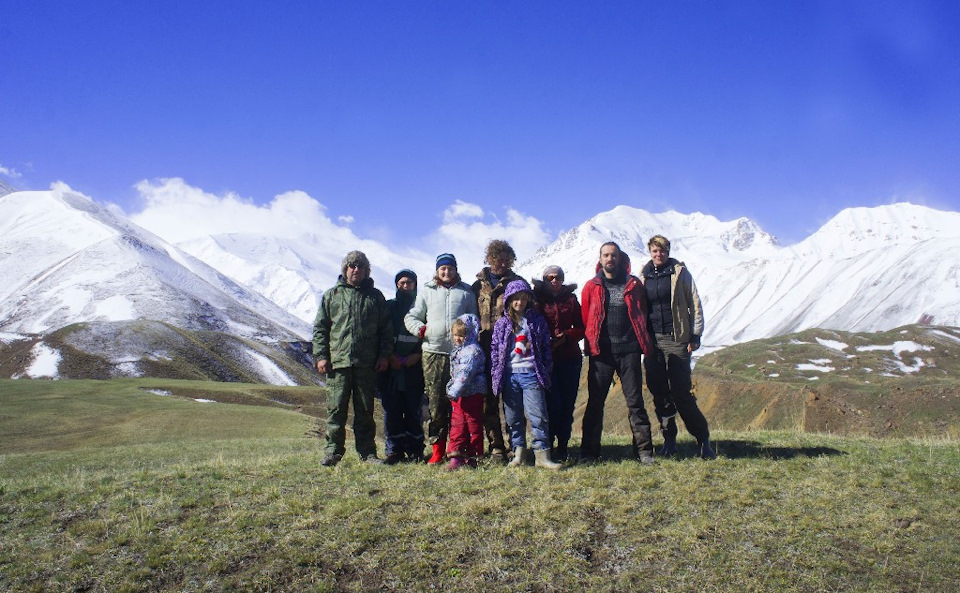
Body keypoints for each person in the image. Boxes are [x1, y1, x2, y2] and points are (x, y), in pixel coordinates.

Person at [580, 242, 657, 464]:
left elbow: (641, 312)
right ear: (600, 259)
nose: (610, 259)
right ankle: (589, 453)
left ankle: (644, 452)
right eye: (606, 255)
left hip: (629, 351)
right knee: (595, 403)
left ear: (620, 258)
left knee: (635, 402)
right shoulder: (591, 286)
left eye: (613, 255)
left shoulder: (634, 284)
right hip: (601, 352)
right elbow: (587, 317)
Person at [313, 250, 392, 467]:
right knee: (336, 409)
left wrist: (384, 355)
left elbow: (386, 329)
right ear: (345, 269)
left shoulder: (375, 297)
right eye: (352, 266)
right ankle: (333, 452)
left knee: (365, 411)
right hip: (338, 364)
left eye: (360, 266)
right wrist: (321, 356)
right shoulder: (332, 296)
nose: (356, 270)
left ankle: (367, 453)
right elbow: (320, 328)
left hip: (366, 364)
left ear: (367, 271)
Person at [641, 235, 716, 459]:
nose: (658, 254)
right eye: (655, 251)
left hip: (677, 339)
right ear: (650, 252)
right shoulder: (643, 276)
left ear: (668, 251)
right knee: (659, 392)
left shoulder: (680, 273)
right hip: (653, 341)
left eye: (662, 251)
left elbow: (695, 302)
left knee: (681, 392)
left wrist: (695, 335)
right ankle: (669, 441)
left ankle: (703, 440)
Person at [405, 253, 478, 465]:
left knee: (460, 404)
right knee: (436, 403)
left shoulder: (466, 292)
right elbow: (412, 316)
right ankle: (438, 449)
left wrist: (469, 343)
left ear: (456, 269)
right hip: (433, 352)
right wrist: (421, 330)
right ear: (437, 270)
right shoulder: (427, 290)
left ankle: (458, 448)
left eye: (450, 268)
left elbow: (473, 320)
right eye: (442, 268)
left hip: (461, 355)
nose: (446, 272)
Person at [490, 279, 562, 470]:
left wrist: (546, 368)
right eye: (515, 299)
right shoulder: (502, 324)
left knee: (538, 415)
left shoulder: (537, 321)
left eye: (523, 299)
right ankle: (518, 452)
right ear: (508, 300)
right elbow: (495, 350)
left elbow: (546, 346)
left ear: (529, 300)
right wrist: (496, 372)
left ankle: (542, 455)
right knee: (513, 417)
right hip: (509, 375)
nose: (519, 303)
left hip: (531, 373)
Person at [472, 239, 521, 462]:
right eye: (496, 258)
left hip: (509, 351)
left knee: (512, 400)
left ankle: (516, 445)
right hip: (483, 350)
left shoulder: (517, 283)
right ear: (489, 258)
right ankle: (496, 447)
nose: (501, 263)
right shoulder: (476, 287)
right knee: (488, 402)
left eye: (505, 259)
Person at [532, 265, 585, 463]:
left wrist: (568, 336)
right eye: (550, 277)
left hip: (569, 357)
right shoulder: (536, 300)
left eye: (558, 277)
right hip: (545, 360)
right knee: (549, 404)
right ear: (544, 279)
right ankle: (549, 444)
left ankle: (563, 446)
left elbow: (581, 326)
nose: (554, 280)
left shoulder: (571, 300)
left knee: (567, 403)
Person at [377, 269, 426, 464]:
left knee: (414, 410)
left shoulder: (422, 309)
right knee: (392, 411)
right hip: (390, 369)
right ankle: (394, 450)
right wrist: (389, 355)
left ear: (415, 285)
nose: (406, 286)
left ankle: (415, 450)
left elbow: (429, 334)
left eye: (410, 283)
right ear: (397, 285)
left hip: (414, 368)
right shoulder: (389, 307)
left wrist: (417, 355)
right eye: (402, 283)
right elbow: (379, 332)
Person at [445, 314, 487, 470]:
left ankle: (474, 455)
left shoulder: (472, 352)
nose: (457, 338)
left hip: (472, 394)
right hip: (460, 395)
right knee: (457, 424)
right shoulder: (460, 351)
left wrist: (454, 390)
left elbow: (465, 373)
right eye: (455, 335)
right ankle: (456, 456)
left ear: (469, 334)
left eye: (461, 335)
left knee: (472, 424)